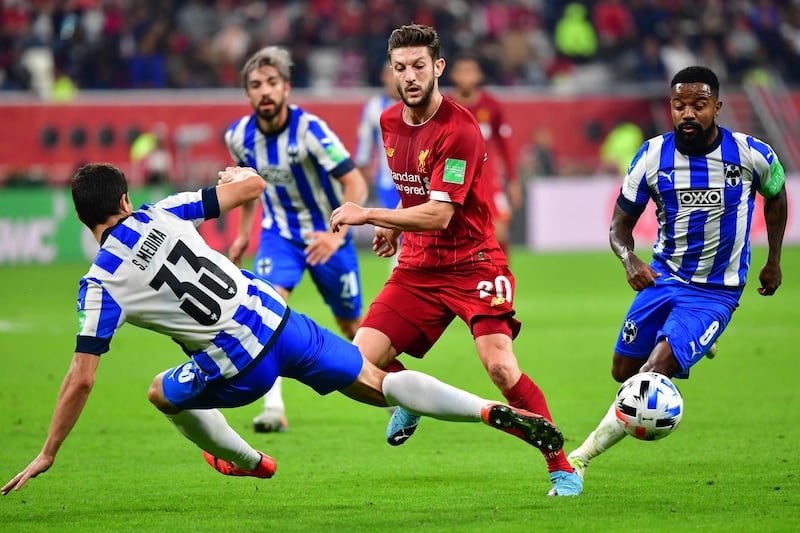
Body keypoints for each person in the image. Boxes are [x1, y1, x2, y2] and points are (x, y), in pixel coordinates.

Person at [1, 163, 564, 496]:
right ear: (125, 200)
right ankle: (488, 412)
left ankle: (248, 461)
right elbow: (250, 189)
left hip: (239, 365)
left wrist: (50, 450)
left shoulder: (99, 284)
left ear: (81, 218)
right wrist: (235, 175)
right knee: (374, 379)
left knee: (159, 392)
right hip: (276, 316)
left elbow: (81, 376)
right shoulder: (163, 211)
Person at [329, 23, 582, 497]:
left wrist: (369, 215)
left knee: (501, 368)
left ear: (438, 67)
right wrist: (394, 220)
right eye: (400, 68)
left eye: (419, 66)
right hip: (419, 267)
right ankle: (409, 396)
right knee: (352, 367)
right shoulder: (388, 122)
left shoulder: (461, 128)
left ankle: (561, 465)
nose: (410, 76)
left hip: (474, 263)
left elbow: (442, 215)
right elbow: (417, 193)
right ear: (391, 71)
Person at [566, 66, 787, 484]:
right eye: (679, 105)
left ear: (717, 107)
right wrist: (628, 259)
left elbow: (777, 196)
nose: (688, 113)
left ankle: (579, 458)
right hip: (664, 279)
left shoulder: (752, 153)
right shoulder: (652, 156)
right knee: (622, 371)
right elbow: (619, 226)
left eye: (699, 105)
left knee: (651, 375)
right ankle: (696, 343)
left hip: (715, 291)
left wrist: (774, 258)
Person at [224, 46, 369, 433]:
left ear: (287, 88)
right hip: (279, 236)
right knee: (267, 315)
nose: (265, 91)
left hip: (327, 234)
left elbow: (355, 181)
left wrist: (335, 234)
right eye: (256, 85)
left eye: (272, 83)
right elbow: (249, 188)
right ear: (248, 94)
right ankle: (274, 409)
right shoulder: (238, 136)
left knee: (354, 326)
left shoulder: (311, 130)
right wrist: (242, 236)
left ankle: (392, 394)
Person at [448, 54, 522, 258]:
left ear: (479, 75)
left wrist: (513, 181)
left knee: (500, 233)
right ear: (453, 75)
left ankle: (500, 282)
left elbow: (505, 144)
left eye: (470, 71)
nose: (466, 76)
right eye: (462, 71)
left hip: (488, 180)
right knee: (457, 238)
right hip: (455, 178)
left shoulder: (491, 106)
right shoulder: (444, 105)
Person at [354, 61, 402, 269]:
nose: (394, 79)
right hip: (389, 183)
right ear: (383, 78)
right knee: (400, 237)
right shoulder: (374, 108)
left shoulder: (419, 103)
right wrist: (361, 187)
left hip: (422, 180)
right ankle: (401, 285)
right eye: (390, 74)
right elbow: (363, 151)